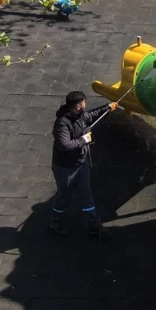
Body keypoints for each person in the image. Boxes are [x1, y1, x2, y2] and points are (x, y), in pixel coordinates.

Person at [51, 90, 117, 237]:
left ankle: (94, 226)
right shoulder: (62, 124)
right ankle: (55, 222)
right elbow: (65, 145)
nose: (85, 103)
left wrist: (107, 108)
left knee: (86, 195)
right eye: (84, 102)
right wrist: (84, 140)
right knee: (63, 196)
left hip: (81, 163)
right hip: (65, 168)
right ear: (78, 105)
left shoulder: (80, 115)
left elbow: (91, 116)